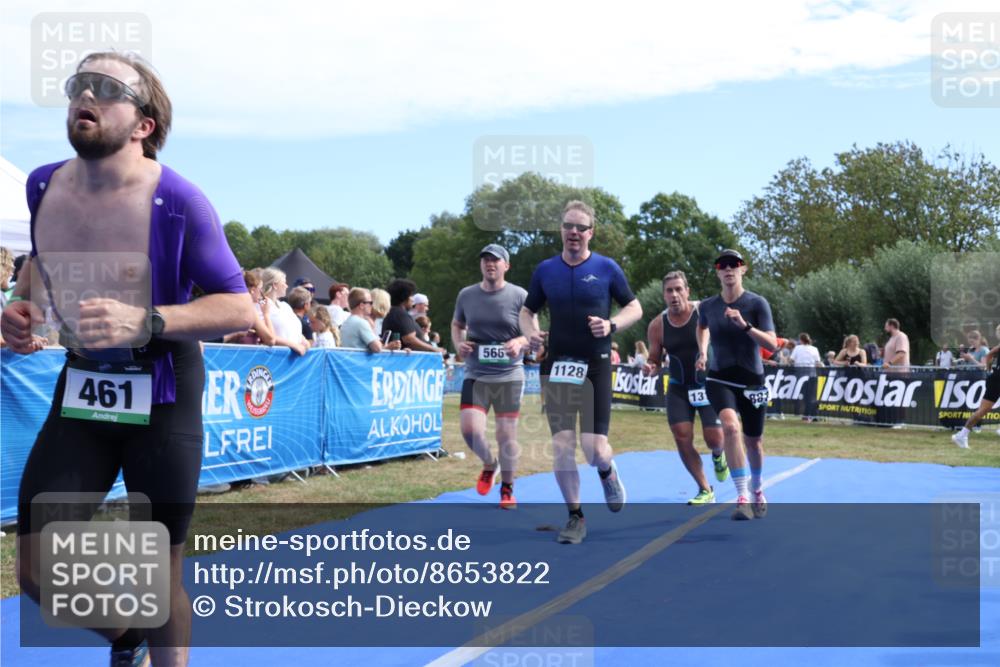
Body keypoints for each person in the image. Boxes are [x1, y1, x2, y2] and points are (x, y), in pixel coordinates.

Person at [0, 51, 255, 667]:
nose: (86, 93)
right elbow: (39, 265)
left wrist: (149, 320)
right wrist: (20, 307)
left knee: (158, 569)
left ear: (143, 123)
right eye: (78, 84)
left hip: (163, 392)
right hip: (85, 385)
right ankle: (125, 638)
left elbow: (240, 309)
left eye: (107, 87)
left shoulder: (179, 201)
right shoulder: (41, 184)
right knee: (36, 568)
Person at [519, 200, 643, 544]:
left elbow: (635, 306)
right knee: (561, 444)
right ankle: (575, 516)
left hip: (595, 366)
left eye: (581, 227)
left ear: (591, 232)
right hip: (557, 366)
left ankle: (606, 469)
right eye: (568, 226)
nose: (573, 232)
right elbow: (528, 311)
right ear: (561, 230)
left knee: (594, 449)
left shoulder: (606, 268)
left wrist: (612, 324)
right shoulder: (545, 270)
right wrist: (530, 331)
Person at [696, 249, 778, 520]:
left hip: (752, 381)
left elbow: (771, 345)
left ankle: (756, 488)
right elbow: (702, 326)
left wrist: (745, 326)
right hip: (719, 378)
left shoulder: (757, 303)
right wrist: (703, 351)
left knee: (754, 442)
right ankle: (741, 496)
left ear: (743, 269)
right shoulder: (708, 306)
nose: (729, 269)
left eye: (735, 264)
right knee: (731, 427)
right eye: (723, 265)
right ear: (717, 272)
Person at [452, 244, 532, 510]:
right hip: (477, 373)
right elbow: (457, 325)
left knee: (506, 436)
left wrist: (520, 341)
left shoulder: (519, 295)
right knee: (470, 430)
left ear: (506, 266)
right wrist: (458, 344)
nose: (490, 264)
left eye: (495, 261)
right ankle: (490, 463)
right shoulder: (467, 295)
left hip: (509, 375)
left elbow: (534, 336)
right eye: (485, 260)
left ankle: (507, 488)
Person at [642, 271, 727, 505]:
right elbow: (654, 357)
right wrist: (650, 366)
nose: (675, 295)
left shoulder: (703, 311)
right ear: (664, 296)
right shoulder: (657, 325)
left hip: (708, 384)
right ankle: (704, 488)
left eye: (679, 289)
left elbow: (717, 334)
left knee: (714, 440)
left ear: (687, 291)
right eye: (669, 290)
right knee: (681, 437)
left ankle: (719, 456)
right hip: (679, 386)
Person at [952, 324, 1000, 448]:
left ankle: (961, 435)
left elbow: (989, 355)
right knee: (983, 410)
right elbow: (989, 356)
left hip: (995, 378)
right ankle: (962, 435)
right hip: (996, 379)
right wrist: (989, 371)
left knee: (982, 410)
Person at [383, 279, 447, 355]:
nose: (412, 299)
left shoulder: (395, 312)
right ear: (404, 297)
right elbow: (410, 340)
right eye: (411, 296)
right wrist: (434, 349)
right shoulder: (399, 314)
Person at [260, 268, 309, 355]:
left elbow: (292, 329)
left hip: (294, 357)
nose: (287, 286)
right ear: (275, 285)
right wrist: (293, 345)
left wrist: (303, 340)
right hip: (276, 357)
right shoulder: (261, 305)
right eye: (284, 282)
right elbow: (266, 334)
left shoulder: (285, 306)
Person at [340, 287, 399, 352]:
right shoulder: (361, 323)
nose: (372, 305)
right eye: (370, 303)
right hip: (360, 361)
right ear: (362, 305)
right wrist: (389, 347)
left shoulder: (347, 321)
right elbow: (377, 348)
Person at [790, 332, 822, 421]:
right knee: (811, 396)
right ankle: (812, 415)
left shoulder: (797, 348)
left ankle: (807, 415)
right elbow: (818, 362)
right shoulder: (815, 349)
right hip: (812, 374)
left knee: (804, 396)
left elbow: (791, 360)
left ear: (800, 340)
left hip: (800, 374)